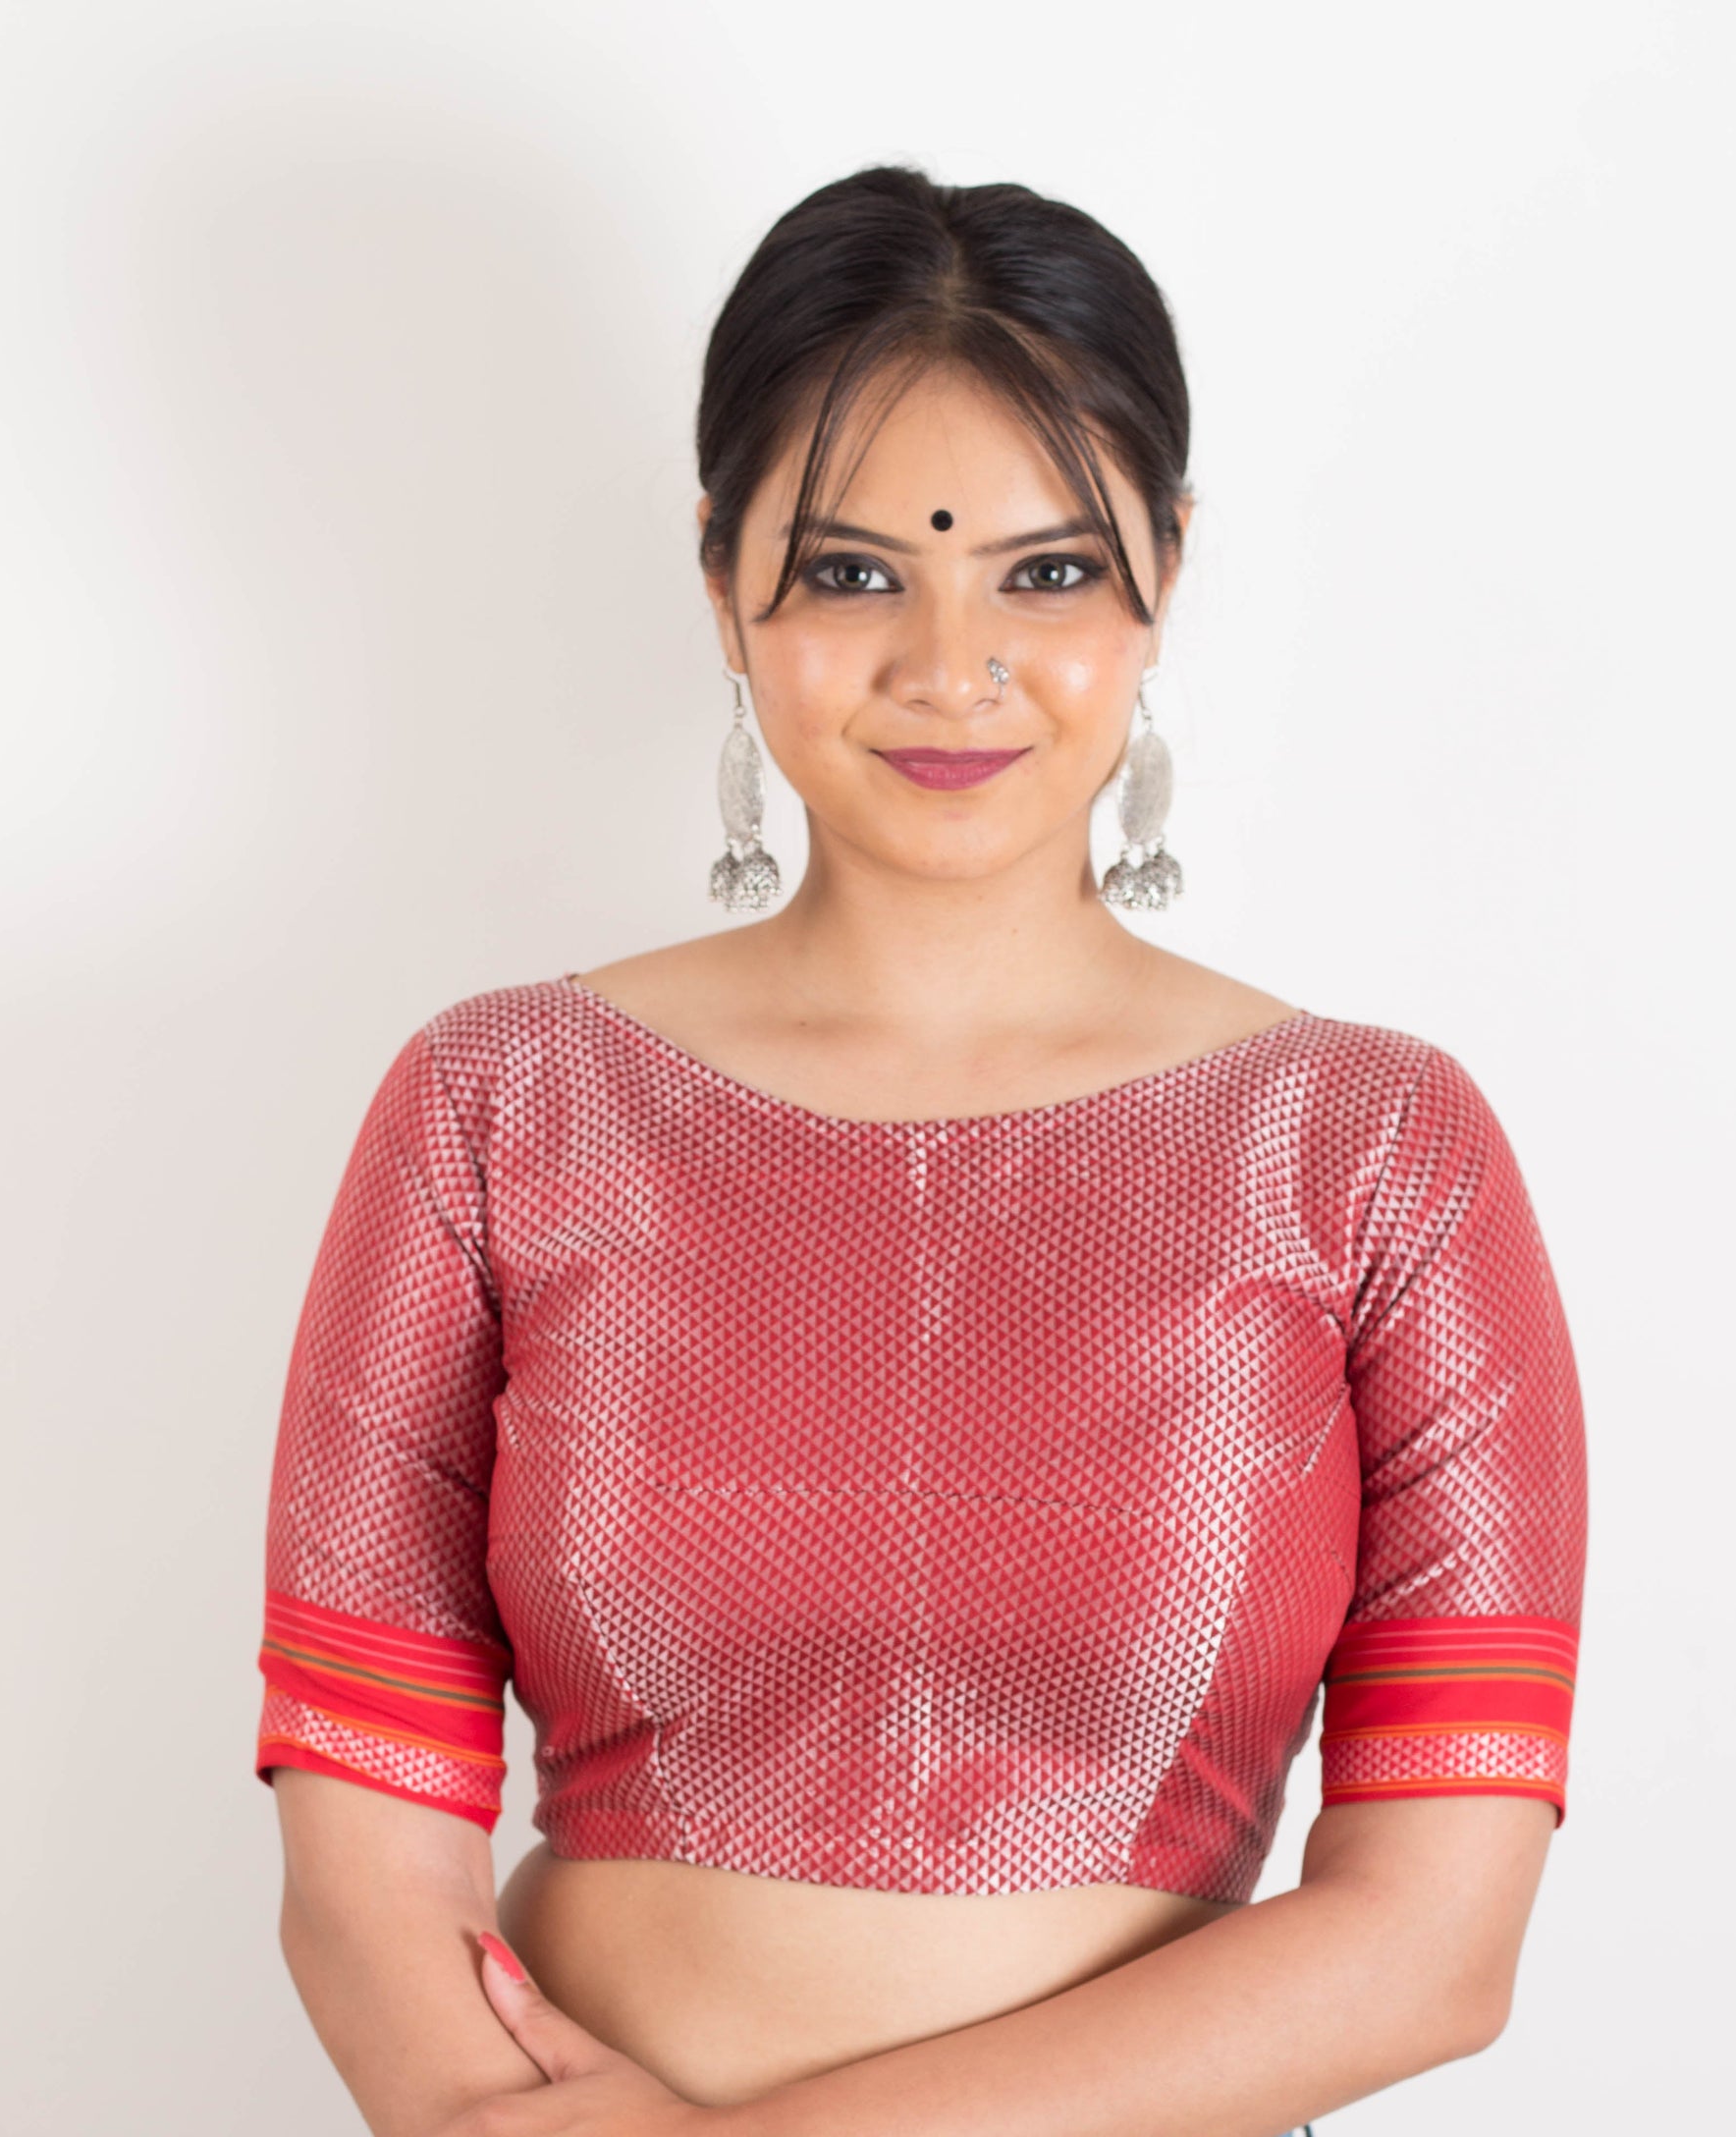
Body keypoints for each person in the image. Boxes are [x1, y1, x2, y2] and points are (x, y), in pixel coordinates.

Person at [253, 164, 1588, 2137]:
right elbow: (365, 1874)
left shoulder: (1375, 1153)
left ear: (1166, 568)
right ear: (720, 576)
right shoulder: (499, 1107)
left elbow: (1430, 1941)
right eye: (856, 571)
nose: (949, 664)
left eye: (1042, 572)